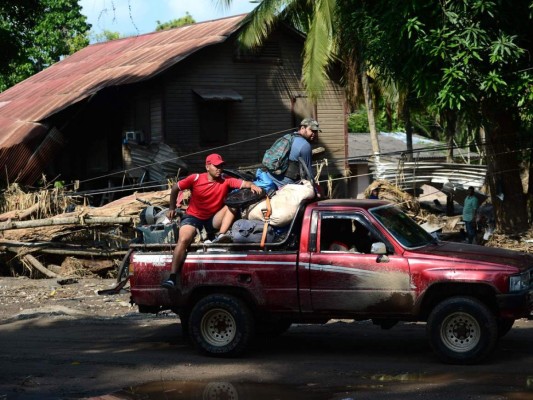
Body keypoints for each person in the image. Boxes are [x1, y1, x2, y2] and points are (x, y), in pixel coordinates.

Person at [161, 153, 262, 290]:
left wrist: (252, 186)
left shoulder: (225, 180)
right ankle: (172, 277)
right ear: (207, 166)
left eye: (221, 166)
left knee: (232, 204)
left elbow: (244, 183)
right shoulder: (195, 178)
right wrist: (172, 207)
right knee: (184, 239)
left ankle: (220, 235)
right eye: (216, 166)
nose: (219, 169)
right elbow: (175, 188)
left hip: (212, 219)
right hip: (193, 217)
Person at [267, 118, 319, 189]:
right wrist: (315, 190)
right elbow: (308, 173)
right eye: (312, 130)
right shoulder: (305, 145)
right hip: (285, 184)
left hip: (269, 177)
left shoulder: (287, 137)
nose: (314, 134)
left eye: (316, 131)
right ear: (302, 128)